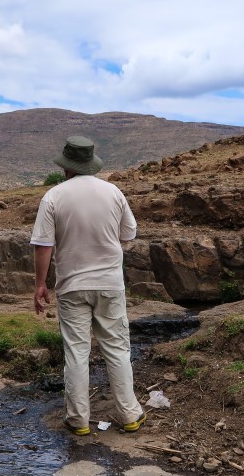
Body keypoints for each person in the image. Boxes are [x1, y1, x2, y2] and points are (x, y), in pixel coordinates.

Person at [31, 135, 146, 435]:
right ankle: (130, 414)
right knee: (118, 349)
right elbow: (129, 234)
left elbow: (43, 246)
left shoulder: (54, 197)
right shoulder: (113, 192)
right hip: (109, 283)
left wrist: (40, 285)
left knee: (76, 353)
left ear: (66, 166)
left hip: (71, 287)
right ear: (91, 164)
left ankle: (79, 420)